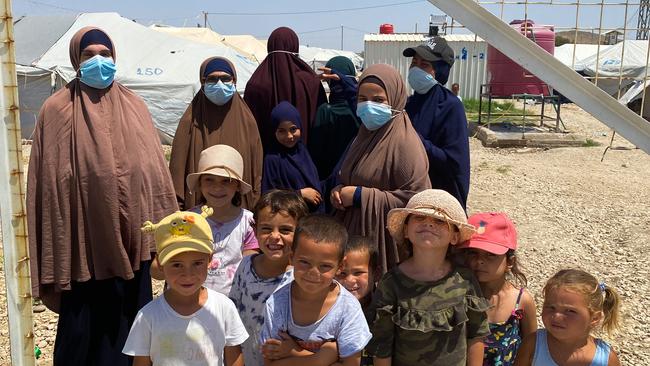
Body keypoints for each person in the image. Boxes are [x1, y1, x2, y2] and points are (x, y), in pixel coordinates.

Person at [26, 27, 178, 366]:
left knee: (130, 337)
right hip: (82, 248)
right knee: (80, 340)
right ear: (75, 60)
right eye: (88, 54)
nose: (98, 61)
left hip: (132, 244)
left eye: (105, 54)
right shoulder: (56, 110)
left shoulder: (135, 106)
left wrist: (163, 240)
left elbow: (155, 175)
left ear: (115, 57)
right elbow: (48, 183)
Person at [366, 189, 490, 366]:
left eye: (440, 221)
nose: (428, 224)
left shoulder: (465, 279)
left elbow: (476, 334)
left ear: (455, 237)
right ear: (406, 230)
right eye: (419, 218)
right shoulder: (391, 283)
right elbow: (382, 346)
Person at [331, 63, 431, 273]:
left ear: (394, 99)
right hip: (355, 241)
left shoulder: (405, 143)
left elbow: (416, 200)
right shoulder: (363, 135)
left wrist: (360, 196)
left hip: (385, 247)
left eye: (378, 100)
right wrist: (339, 190)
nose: (368, 106)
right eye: (362, 99)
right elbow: (353, 175)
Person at [123, 207, 248, 366]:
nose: (187, 274)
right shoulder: (148, 316)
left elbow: (234, 360)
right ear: (161, 264)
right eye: (177, 265)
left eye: (197, 263)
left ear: (209, 260)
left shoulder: (224, 308)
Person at [260, 215, 372, 366]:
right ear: (292, 258)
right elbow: (270, 363)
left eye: (325, 266)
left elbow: (351, 363)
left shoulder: (348, 309)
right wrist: (323, 358)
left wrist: (294, 352)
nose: (313, 272)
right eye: (305, 262)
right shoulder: (276, 305)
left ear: (339, 267)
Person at [169, 56, 263, 210]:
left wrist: (254, 201)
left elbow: (256, 168)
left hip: (238, 207)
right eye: (212, 79)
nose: (219, 84)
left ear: (234, 81)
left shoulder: (247, 122)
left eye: (225, 78)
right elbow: (177, 169)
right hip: (198, 208)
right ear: (202, 82)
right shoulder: (190, 121)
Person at [229, 190, 309, 366]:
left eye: (285, 230)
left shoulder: (302, 279)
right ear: (255, 230)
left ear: (301, 234)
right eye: (266, 229)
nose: (274, 236)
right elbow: (231, 314)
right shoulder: (245, 266)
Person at [458, 212, 537, 366]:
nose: (479, 261)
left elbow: (532, 349)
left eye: (490, 255)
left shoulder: (521, 301)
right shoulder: (457, 294)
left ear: (510, 262)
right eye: (472, 253)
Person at [403, 37, 471, 210]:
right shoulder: (410, 103)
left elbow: (453, 163)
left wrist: (415, 140)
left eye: (424, 64)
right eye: (414, 62)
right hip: (410, 195)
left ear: (439, 71)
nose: (415, 69)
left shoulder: (450, 106)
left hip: (438, 200)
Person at [182, 144, 259, 296]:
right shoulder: (188, 220)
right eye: (209, 180)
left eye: (226, 181)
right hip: (193, 299)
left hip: (232, 301)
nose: (217, 188)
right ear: (200, 183)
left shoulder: (248, 222)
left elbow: (248, 267)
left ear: (237, 185)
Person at [515, 269, 621, 366]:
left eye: (570, 311)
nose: (556, 316)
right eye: (551, 307)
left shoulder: (606, 359)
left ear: (594, 318)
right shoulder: (533, 345)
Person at [244, 26, 326, 149]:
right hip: (305, 157)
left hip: (266, 159)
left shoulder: (256, 83)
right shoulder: (310, 81)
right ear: (295, 47)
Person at [262, 102, 323, 212]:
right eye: (282, 131)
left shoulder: (302, 150)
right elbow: (269, 196)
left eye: (293, 129)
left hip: (312, 217)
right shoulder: (272, 159)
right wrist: (299, 194)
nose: (289, 136)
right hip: (291, 218)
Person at [309, 56, 360, 179]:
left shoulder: (324, 111)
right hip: (354, 177)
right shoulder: (361, 111)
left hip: (328, 178)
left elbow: (316, 151)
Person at [336, 236, 378, 366]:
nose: (349, 280)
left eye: (358, 273)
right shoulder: (325, 313)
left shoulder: (384, 314)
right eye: (342, 273)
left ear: (376, 274)